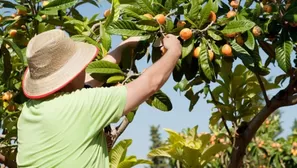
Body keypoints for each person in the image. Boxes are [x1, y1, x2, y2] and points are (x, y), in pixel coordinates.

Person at [16, 29, 182, 167]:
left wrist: (123, 46)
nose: (83, 68)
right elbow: (150, 83)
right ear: (70, 73)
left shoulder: (28, 112)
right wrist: (174, 50)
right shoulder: (83, 105)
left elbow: (87, 81)